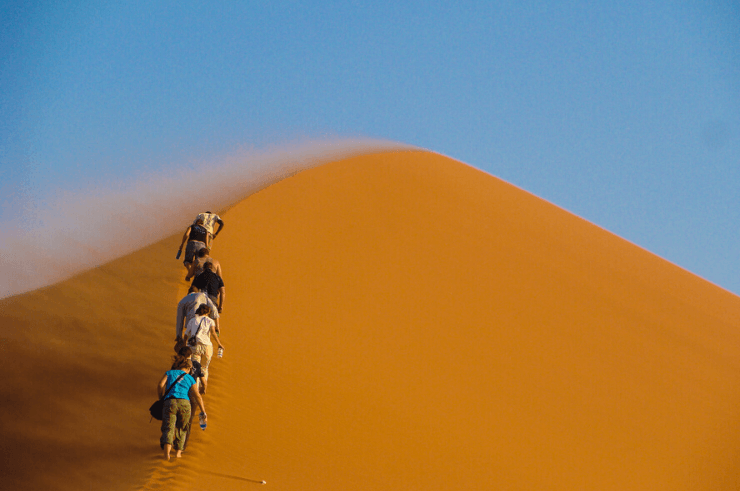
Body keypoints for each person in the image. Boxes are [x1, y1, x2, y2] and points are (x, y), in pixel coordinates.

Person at [157, 355, 206, 460]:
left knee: (168, 428)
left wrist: (161, 397)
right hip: (185, 404)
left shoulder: (169, 373)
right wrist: (203, 411)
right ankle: (178, 453)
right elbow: (197, 395)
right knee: (182, 428)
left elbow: (160, 385)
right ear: (188, 368)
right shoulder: (189, 378)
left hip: (170, 402)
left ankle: (167, 454)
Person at [183, 304, 224, 381]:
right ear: (208, 312)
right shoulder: (210, 321)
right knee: (204, 368)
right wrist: (219, 344)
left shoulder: (192, 320)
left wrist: (184, 346)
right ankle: (203, 387)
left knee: (195, 369)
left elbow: (186, 335)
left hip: (194, 346)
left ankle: (195, 388)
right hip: (207, 347)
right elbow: (213, 333)